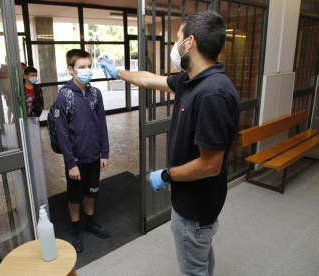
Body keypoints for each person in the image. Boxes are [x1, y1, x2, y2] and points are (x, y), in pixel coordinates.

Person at [101, 10, 240, 276]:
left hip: (196, 207)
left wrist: (166, 175)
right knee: (201, 259)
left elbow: (210, 165)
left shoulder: (213, 93)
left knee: (193, 268)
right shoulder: (192, 81)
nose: (173, 46)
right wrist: (117, 71)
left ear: (190, 42)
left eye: (176, 39)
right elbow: (148, 79)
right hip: (192, 202)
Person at [55, 49, 110, 253]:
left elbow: (102, 125)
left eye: (89, 66)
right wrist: (70, 163)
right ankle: (76, 227)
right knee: (75, 195)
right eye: (82, 67)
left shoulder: (96, 94)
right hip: (76, 160)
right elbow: (62, 134)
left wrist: (104, 153)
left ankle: (89, 222)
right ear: (71, 70)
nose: (87, 70)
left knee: (92, 191)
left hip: (94, 156)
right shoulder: (64, 96)